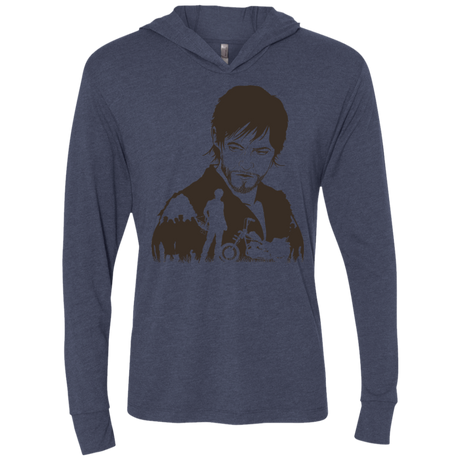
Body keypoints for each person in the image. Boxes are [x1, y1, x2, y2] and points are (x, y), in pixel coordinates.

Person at [151, 85, 304, 262]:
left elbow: (298, 257)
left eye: (261, 152)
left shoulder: (281, 206)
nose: (246, 164)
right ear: (216, 138)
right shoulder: (184, 207)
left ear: (276, 151)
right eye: (235, 148)